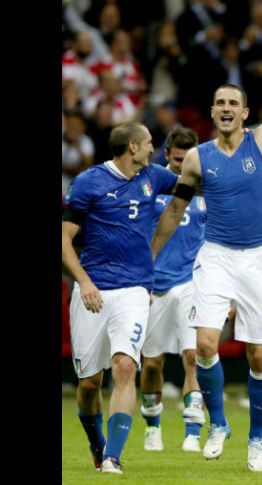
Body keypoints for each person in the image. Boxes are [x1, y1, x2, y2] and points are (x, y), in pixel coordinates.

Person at [151, 15, 262, 473]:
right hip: (216, 256)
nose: (226, 107)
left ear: (245, 113)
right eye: (219, 102)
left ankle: (258, 440)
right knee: (205, 345)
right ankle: (219, 424)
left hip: (259, 259)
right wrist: (148, 257)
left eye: (233, 102)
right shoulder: (197, 159)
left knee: (259, 354)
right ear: (212, 112)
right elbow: (173, 212)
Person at [62, 122, 180, 474]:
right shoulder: (88, 182)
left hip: (134, 288)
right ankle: (97, 444)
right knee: (89, 384)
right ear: (131, 147)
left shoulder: (154, 176)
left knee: (126, 366)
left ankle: (113, 456)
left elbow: (194, 180)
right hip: (93, 290)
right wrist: (83, 283)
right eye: (148, 143)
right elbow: (64, 241)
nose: (152, 149)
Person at [139, 127, 206, 453]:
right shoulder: (151, 185)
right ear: (167, 154)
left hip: (191, 282)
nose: (182, 165)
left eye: (188, 159)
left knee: (193, 356)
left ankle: (192, 432)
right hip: (154, 284)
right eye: (178, 159)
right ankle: (152, 424)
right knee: (152, 364)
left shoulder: (207, 188)